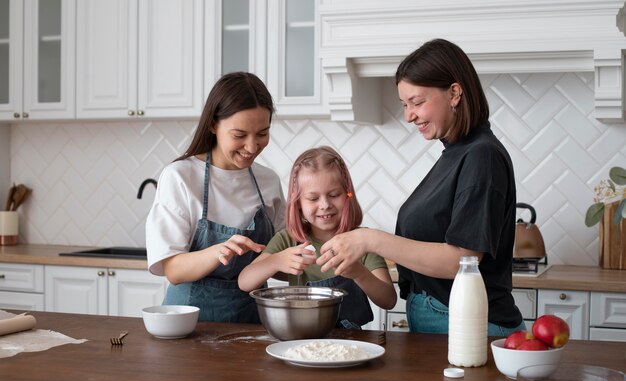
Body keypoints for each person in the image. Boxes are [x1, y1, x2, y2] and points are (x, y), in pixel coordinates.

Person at [317, 39, 525, 336]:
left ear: (454, 93)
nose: (408, 115)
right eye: (405, 104)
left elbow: (461, 261)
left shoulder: (482, 156)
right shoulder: (457, 153)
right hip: (444, 316)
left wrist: (369, 239)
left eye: (417, 102)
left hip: (464, 322)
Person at [146, 72, 285, 323]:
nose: (252, 147)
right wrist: (217, 252)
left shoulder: (269, 181)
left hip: (254, 323)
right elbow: (172, 270)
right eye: (239, 135)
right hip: (191, 325)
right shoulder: (180, 177)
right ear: (213, 124)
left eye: (262, 133)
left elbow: (281, 255)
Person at [238, 146, 396, 329]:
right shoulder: (288, 239)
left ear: (348, 195)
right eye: (313, 199)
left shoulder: (361, 241)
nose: (325, 205)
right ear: (298, 204)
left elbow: (388, 300)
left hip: (350, 342)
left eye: (334, 195)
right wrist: (276, 261)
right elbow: (244, 282)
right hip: (300, 337)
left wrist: (358, 273)